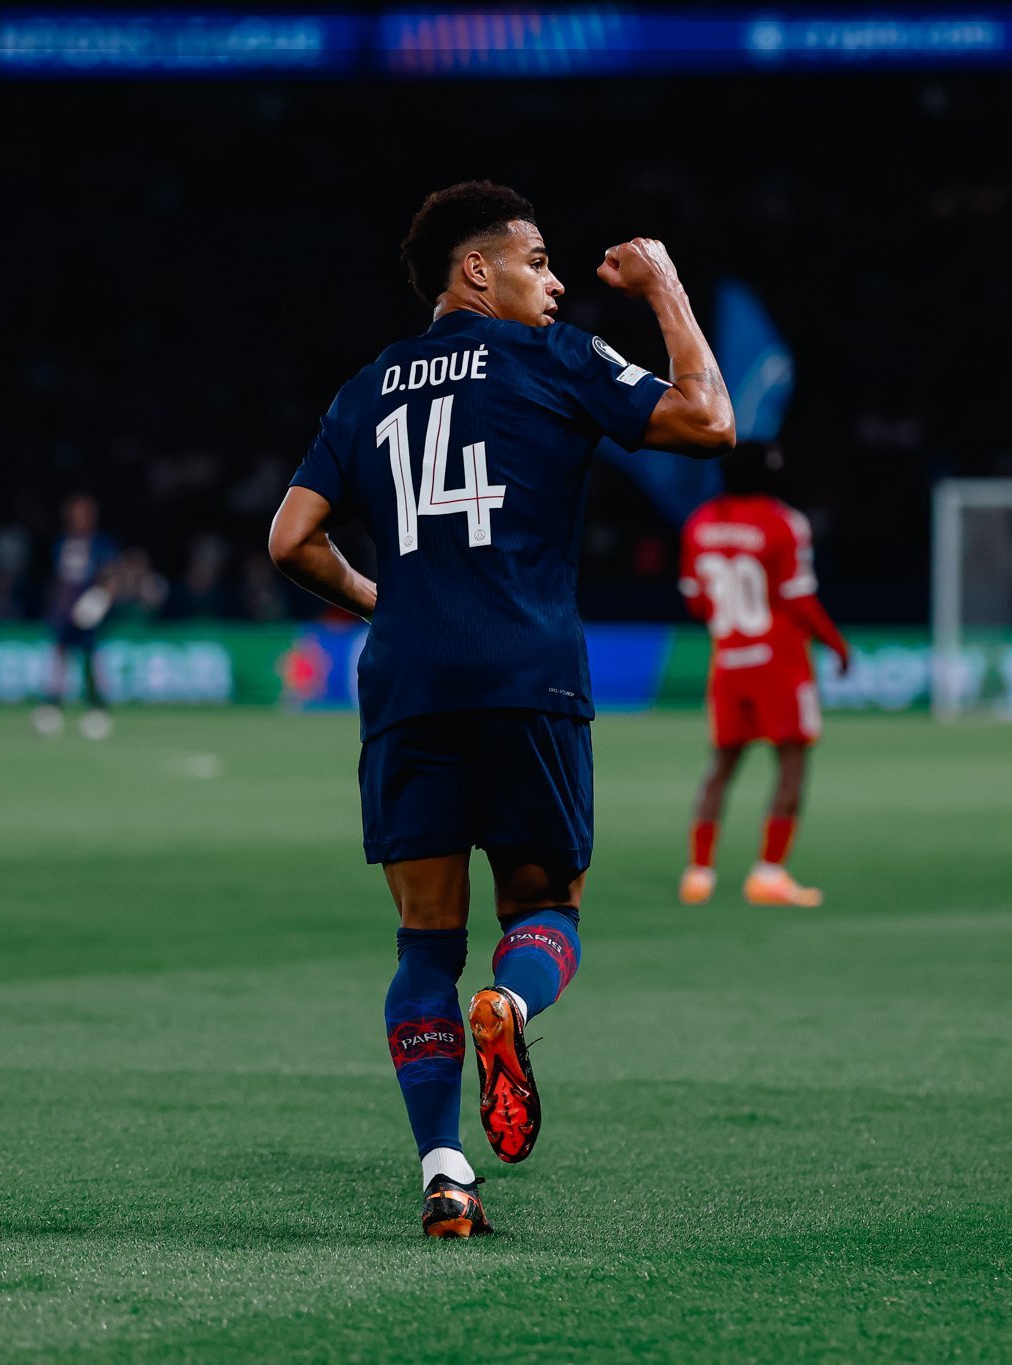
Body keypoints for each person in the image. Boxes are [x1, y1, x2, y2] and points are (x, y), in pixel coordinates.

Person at [268, 181, 735, 1237]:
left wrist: (382, 601)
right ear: (475, 270)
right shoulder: (551, 359)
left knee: (423, 946)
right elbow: (710, 421)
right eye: (537, 261)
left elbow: (290, 540)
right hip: (528, 676)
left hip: (407, 686)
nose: (556, 283)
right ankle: (512, 1003)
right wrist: (664, 286)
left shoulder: (367, 387)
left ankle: (444, 1172)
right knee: (545, 911)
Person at [677, 442, 849, 909]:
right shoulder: (783, 522)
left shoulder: (700, 523)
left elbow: (696, 600)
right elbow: (798, 598)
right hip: (778, 661)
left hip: (729, 660)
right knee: (792, 764)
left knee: (721, 766)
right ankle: (769, 873)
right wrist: (836, 644)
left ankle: (698, 874)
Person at [32, 494, 119, 741]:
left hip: (88, 609)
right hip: (63, 611)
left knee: (90, 658)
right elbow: (58, 579)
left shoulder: (101, 543)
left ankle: (96, 707)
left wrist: (99, 600)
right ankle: (52, 705)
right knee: (59, 657)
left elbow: (111, 576)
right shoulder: (62, 542)